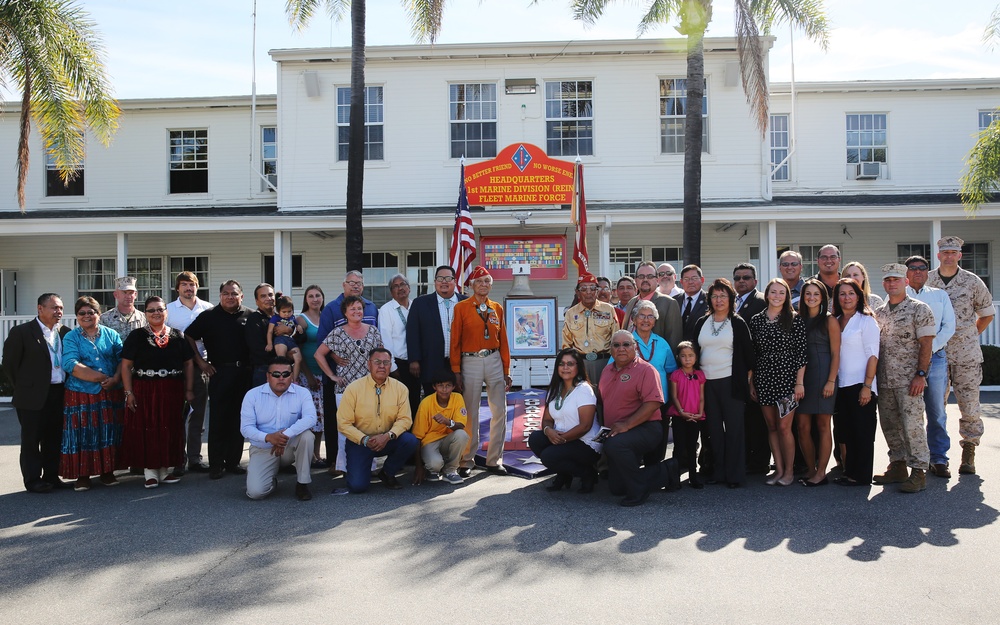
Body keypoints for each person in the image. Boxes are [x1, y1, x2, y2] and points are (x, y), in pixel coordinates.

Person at [926, 235, 995, 475]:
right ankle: (936, 456)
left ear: (959, 256)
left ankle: (969, 451)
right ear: (938, 255)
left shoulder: (972, 282)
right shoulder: (929, 280)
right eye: (945, 252)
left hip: (966, 354)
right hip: (936, 352)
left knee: (970, 405)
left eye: (953, 252)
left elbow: (987, 313)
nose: (948, 256)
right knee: (936, 406)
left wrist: (971, 334)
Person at [871, 263, 936, 493]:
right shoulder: (879, 313)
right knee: (889, 424)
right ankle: (898, 465)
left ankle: (918, 471)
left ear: (906, 282)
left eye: (896, 279)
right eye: (888, 280)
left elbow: (926, 344)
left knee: (913, 427)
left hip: (909, 381)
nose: (892, 283)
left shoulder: (919, 309)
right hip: (885, 380)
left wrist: (921, 374)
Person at [120, 296, 195, 488]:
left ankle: (164, 470)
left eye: (160, 309)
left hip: (172, 388)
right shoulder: (137, 336)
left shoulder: (178, 335)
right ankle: (150, 471)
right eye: (151, 310)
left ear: (166, 312)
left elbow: (188, 363)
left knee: (170, 427)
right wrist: (129, 392)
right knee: (149, 428)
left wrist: (188, 389)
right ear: (145, 314)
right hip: (145, 388)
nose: (156, 313)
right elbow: (126, 365)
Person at [598, 330, 680, 506]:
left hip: (646, 428)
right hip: (619, 432)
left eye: (626, 344)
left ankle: (639, 491)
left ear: (635, 347)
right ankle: (666, 471)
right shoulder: (606, 370)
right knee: (617, 488)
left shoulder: (646, 370)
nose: (621, 348)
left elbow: (653, 404)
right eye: (616, 345)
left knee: (614, 444)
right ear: (610, 349)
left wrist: (626, 425)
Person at [2, 293, 72, 493]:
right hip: (32, 396)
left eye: (60, 308)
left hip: (59, 392)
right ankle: (33, 480)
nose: (58, 312)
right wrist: (25, 386)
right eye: (54, 308)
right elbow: (9, 364)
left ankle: (52, 476)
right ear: (40, 308)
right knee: (31, 439)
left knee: (54, 438)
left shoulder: (65, 333)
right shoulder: (22, 332)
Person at [184, 280, 253, 480]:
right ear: (220, 295)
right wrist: (200, 361)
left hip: (244, 373)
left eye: (234, 293)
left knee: (239, 419)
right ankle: (216, 464)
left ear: (241, 296)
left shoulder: (250, 315)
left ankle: (233, 462)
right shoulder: (208, 317)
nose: (230, 297)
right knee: (218, 420)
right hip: (219, 373)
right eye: (225, 293)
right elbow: (188, 336)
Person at [693, 278, 756, 488]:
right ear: (709, 299)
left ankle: (735, 475)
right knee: (713, 430)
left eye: (723, 296)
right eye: (714, 296)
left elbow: (749, 356)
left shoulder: (737, 322)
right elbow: (694, 351)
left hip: (731, 383)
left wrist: (747, 381)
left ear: (730, 298)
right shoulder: (702, 322)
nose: (719, 300)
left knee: (735, 429)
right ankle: (718, 471)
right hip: (706, 384)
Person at [451, 266, 512, 477]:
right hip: (471, 361)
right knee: (470, 411)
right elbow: (455, 341)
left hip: (494, 358)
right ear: (471, 285)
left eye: (487, 281)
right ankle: (467, 459)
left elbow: (503, 340)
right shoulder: (461, 308)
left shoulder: (497, 308)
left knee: (499, 411)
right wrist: (456, 370)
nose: (483, 285)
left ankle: (494, 459)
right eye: (479, 281)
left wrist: (506, 368)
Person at [314, 295, 385, 473]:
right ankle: (344, 467)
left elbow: (381, 356)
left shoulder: (373, 331)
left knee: (369, 426)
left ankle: (369, 467)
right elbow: (319, 354)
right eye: (352, 308)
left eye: (359, 308)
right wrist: (332, 376)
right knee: (345, 430)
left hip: (370, 387)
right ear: (345, 312)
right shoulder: (337, 333)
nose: (357, 311)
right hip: (345, 388)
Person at [60, 297, 125, 491]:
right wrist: (99, 377)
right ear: (77, 316)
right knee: (83, 433)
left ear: (99, 314)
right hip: (81, 393)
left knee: (108, 431)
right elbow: (70, 363)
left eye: (91, 312)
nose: (87, 316)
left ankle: (107, 472)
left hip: (110, 392)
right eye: (82, 313)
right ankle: (82, 475)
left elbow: (123, 359)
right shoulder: (71, 337)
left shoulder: (111, 334)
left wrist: (114, 379)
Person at [748, 278, 807, 487]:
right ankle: (779, 470)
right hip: (764, 378)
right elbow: (753, 353)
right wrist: (752, 382)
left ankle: (789, 472)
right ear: (767, 294)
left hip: (787, 380)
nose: (777, 296)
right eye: (773, 292)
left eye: (781, 292)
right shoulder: (756, 320)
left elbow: (801, 354)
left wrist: (799, 383)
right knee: (771, 427)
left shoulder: (794, 319)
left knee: (784, 427)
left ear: (787, 296)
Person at [337, 348, 419, 493]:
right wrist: (364, 439)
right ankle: (359, 469)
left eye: (386, 362)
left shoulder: (400, 388)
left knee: (410, 440)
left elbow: (405, 420)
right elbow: (343, 423)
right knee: (357, 486)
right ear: (369, 364)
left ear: (390, 365)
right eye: (377, 362)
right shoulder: (353, 389)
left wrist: (387, 436)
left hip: (388, 439)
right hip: (361, 442)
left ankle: (387, 472)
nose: (382, 366)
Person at [904, 256, 956, 478]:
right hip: (905, 362)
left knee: (936, 411)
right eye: (913, 269)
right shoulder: (897, 294)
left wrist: (929, 348)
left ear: (928, 272)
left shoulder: (940, 295)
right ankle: (911, 460)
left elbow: (949, 326)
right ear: (906, 274)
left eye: (922, 268)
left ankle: (939, 458)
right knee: (908, 412)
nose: (917, 272)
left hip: (936, 358)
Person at [240, 356, 317, 501]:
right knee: (256, 493)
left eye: (286, 374)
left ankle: (302, 483)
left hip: (289, 446)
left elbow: (311, 418)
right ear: (268, 376)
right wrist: (269, 437)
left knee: (307, 436)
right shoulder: (252, 395)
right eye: (276, 374)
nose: (281, 378)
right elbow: (245, 428)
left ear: (292, 375)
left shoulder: (302, 393)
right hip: (264, 448)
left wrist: (284, 436)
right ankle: (272, 479)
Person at [528, 349, 601, 493]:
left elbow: (585, 426)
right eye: (561, 364)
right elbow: (547, 420)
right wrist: (548, 431)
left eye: (570, 364)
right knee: (535, 438)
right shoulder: (555, 388)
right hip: (563, 438)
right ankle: (563, 473)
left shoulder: (584, 389)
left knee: (549, 456)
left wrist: (560, 440)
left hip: (585, 442)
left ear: (578, 367)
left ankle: (588, 474)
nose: (565, 367)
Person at [832, 278, 880, 487]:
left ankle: (861, 476)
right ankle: (848, 471)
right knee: (845, 431)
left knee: (862, 432)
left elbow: (873, 356)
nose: (846, 297)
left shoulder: (866, 320)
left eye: (851, 293)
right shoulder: (836, 319)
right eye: (842, 293)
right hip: (841, 384)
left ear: (858, 295)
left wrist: (867, 386)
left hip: (861, 384)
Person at [165, 271, 213, 473]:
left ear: (197, 287)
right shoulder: (168, 310)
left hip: (201, 367)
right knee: (176, 416)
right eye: (184, 284)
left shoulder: (208, 309)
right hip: (175, 369)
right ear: (177, 288)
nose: (188, 288)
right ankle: (177, 459)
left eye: (192, 284)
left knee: (198, 415)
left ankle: (194, 458)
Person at [795, 279, 841, 486]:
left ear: (823, 297)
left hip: (823, 375)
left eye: (816, 294)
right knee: (802, 426)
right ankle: (811, 469)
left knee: (823, 425)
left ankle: (822, 472)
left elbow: (836, 353)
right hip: (802, 378)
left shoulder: (829, 320)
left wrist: (831, 380)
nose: (811, 298)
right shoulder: (797, 319)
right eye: (807, 294)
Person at [631, 299, 677, 465]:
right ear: (634, 319)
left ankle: (655, 468)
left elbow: (671, 370)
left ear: (655, 321)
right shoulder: (625, 342)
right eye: (641, 316)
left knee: (659, 434)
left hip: (660, 399)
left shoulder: (662, 343)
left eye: (650, 316)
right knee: (635, 434)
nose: (646, 319)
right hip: (633, 400)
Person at [407, 265, 465, 396]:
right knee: (432, 400)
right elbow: (412, 333)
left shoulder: (465, 302)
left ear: (455, 281)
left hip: (460, 364)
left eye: (448, 278)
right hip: (431, 362)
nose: (444, 281)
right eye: (440, 278)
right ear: (435, 282)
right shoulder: (420, 303)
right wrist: (414, 359)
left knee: (459, 400)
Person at [733, 263, 768, 475]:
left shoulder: (761, 302)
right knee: (743, 418)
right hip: (736, 369)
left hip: (756, 370)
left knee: (757, 419)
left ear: (755, 281)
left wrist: (753, 374)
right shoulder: (732, 301)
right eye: (737, 278)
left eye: (746, 277)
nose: (741, 281)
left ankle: (759, 462)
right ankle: (746, 458)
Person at [411, 369, 469, 486]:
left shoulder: (457, 398)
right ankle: (432, 469)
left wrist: (448, 422)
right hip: (430, 441)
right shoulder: (426, 403)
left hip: (447, 439)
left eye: (448, 386)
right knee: (435, 464)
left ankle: (451, 470)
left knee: (462, 435)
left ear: (453, 387)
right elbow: (416, 437)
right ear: (434, 387)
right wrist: (418, 467)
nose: (444, 389)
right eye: (440, 385)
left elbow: (461, 425)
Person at [562, 273, 620, 385]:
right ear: (577, 292)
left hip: (605, 361)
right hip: (580, 363)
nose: (589, 292)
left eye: (593, 288)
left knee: (604, 397)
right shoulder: (571, 313)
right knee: (583, 398)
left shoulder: (608, 310)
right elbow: (566, 344)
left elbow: (616, 338)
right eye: (584, 289)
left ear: (597, 291)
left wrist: (615, 364)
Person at [378, 273, 421, 416]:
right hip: (400, 365)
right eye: (395, 286)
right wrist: (393, 367)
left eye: (403, 284)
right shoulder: (386, 310)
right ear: (391, 292)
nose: (400, 288)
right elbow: (385, 340)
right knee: (402, 405)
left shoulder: (417, 306)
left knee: (417, 403)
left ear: (409, 288)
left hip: (420, 362)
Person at [666, 342, 707, 489]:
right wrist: (681, 412)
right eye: (683, 356)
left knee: (691, 447)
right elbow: (674, 395)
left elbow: (702, 397)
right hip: (679, 416)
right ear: (678, 357)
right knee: (679, 447)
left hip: (695, 416)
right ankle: (674, 478)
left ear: (696, 357)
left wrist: (700, 413)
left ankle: (693, 477)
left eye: (691, 356)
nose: (687, 359)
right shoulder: (676, 375)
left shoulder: (700, 375)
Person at [296, 285, 327, 466]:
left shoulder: (326, 317)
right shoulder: (302, 319)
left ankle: (317, 454)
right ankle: (307, 456)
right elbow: (297, 348)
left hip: (325, 374)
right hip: (308, 376)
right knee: (310, 417)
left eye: (318, 295)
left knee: (321, 418)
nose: (315, 299)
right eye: (311, 296)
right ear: (306, 299)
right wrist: (308, 376)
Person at [621, 262, 683, 352]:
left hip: (655, 361)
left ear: (657, 280)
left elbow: (674, 340)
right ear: (635, 280)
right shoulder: (631, 302)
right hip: (629, 360)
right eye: (641, 276)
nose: (645, 279)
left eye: (650, 276)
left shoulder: (669, 303)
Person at [246, 283, 285, 387]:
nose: (268, 298)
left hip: (285, 370)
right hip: (264, 370)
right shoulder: (254, 319)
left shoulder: (281, 317)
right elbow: (258, 349)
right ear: (256, 301)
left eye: (271, 295)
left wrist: (289, 330)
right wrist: (284, 354)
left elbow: (301, 338)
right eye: (263, 296)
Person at [266, 295, 303, 379]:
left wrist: (299, 327)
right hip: (280, 339)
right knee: (282, 360)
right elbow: (270, 331)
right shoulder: (275, 318)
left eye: (289, 311)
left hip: (290, 340)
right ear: (278, 311)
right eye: (284, 312)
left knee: (298, 358)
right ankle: (282, 378)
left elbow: (296, 325)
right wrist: (269, 343)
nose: (287, 314)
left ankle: (294, 380)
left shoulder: (292, 317)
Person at [100, 276, 147, 341]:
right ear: (116, 294)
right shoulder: (104, 318)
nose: (128, 296)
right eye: (124, 292)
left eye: (131, 293)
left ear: (135, 295)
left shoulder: (144, 318)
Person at [675, 264, 708, 343]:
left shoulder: (709, 301)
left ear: (702, 280)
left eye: (694, 278)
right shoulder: (674, 301)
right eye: (686, 279)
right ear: (681, 282)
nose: (690, 282)